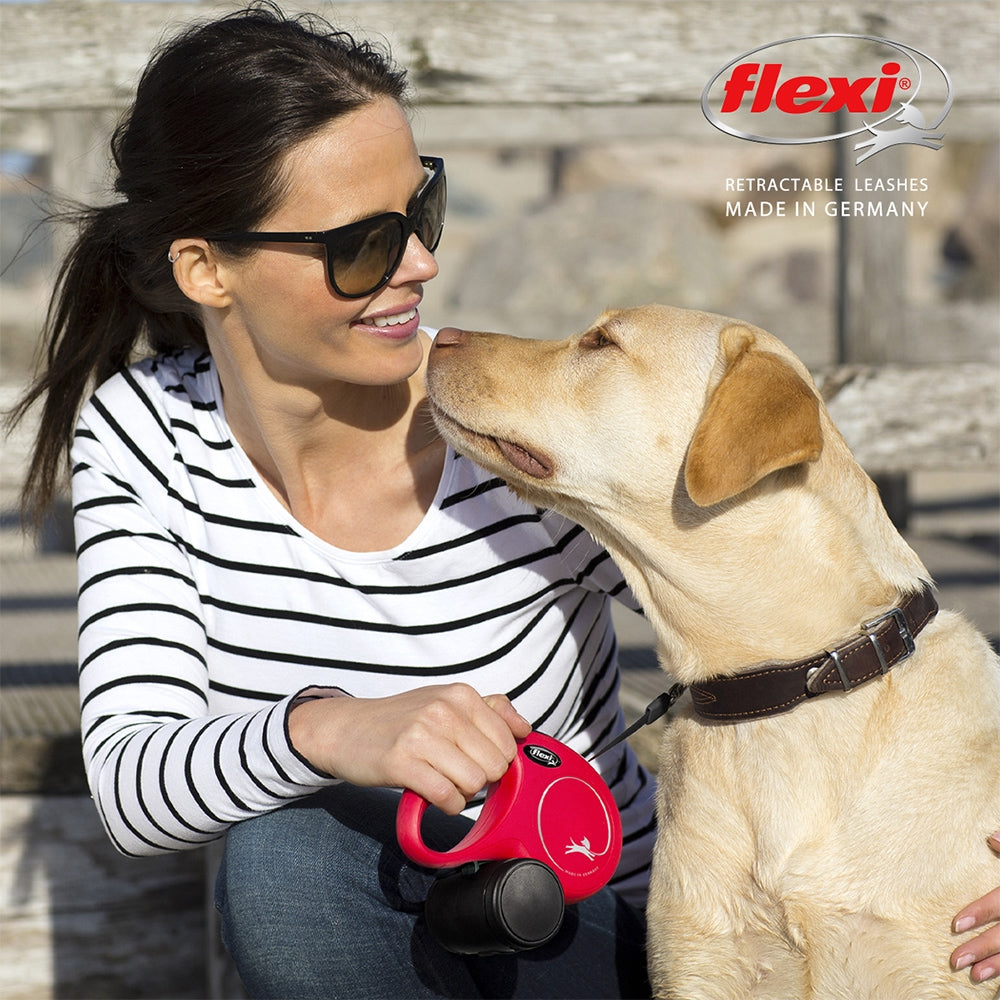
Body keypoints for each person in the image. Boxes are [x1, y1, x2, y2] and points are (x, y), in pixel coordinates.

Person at [5, 4, 997, 996]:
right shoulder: (147, 437)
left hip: (594, 936)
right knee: (287, 858)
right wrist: (338, 729)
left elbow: (823, 591)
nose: (421, 264)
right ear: (206, 269)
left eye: (422, 209)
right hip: (369, 934)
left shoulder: (513, 435)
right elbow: (133, 788)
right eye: (362, 244)